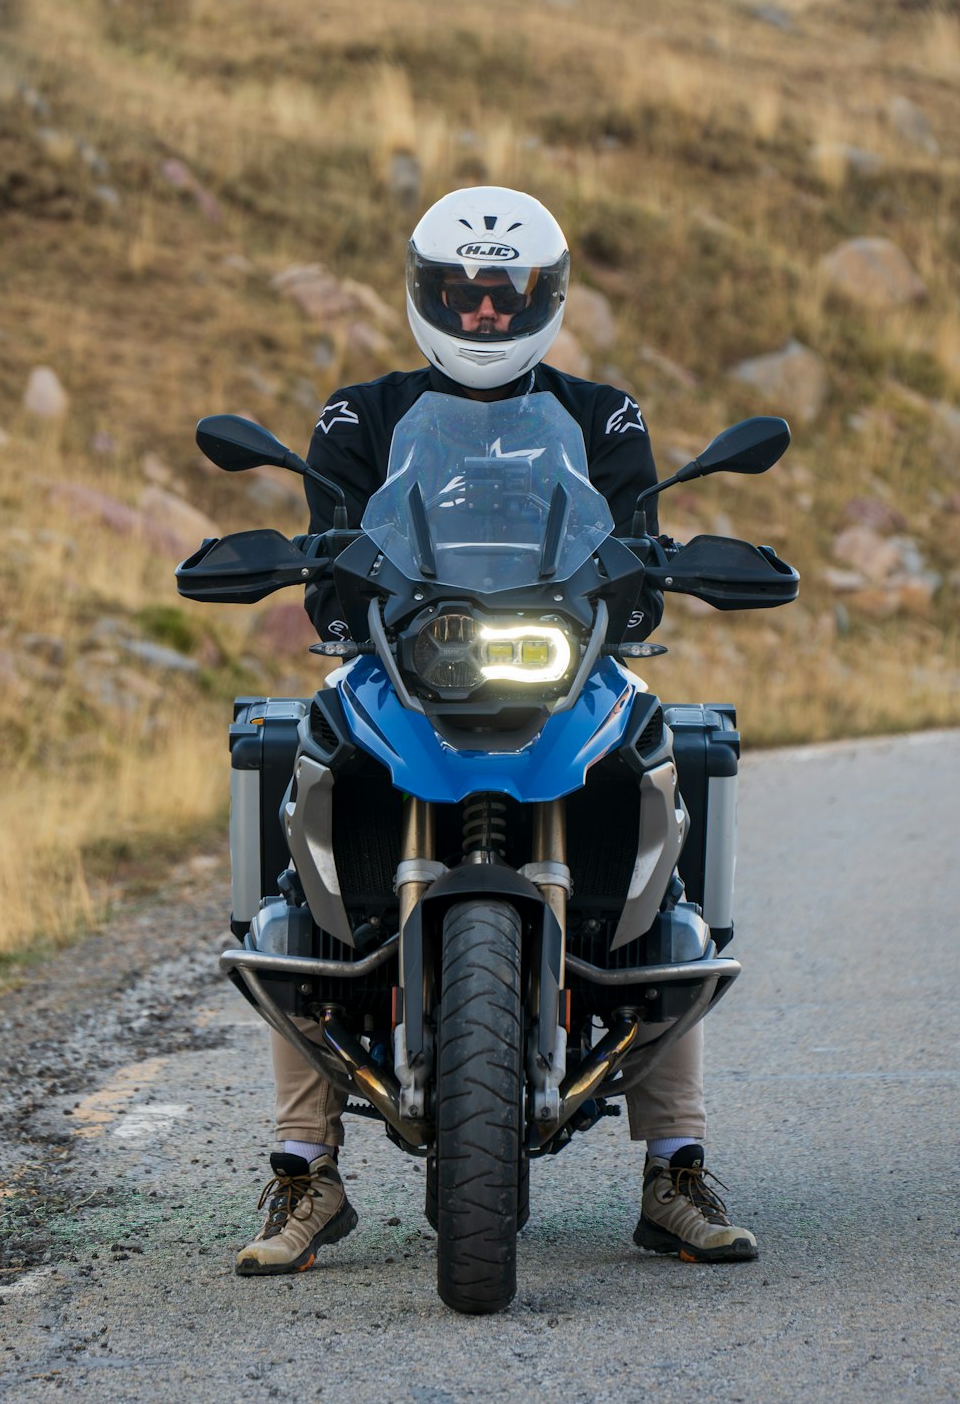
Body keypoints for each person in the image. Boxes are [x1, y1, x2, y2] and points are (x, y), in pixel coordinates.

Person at [235, 186, 758, 1277]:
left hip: (560, 661)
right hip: (406, 662)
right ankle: (302, 1168)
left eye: (503, 294)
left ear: (545, 296)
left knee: (666, 833)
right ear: (426, 293)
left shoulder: (603, 414)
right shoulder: (359, 415)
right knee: (296, 837)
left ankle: (675, 1164)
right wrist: (311, 565)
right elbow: (331, 555)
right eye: (462, 295)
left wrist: (657, 571)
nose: (481, 316)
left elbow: (640, 571)